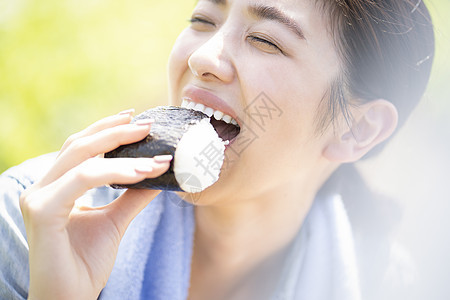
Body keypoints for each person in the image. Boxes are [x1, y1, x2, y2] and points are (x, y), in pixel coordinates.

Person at [0, 0, 434, 299]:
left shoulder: (384, 283)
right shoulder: (35, 228)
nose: (202, 57)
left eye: (267, 40)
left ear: (356, 129)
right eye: (203, 20)